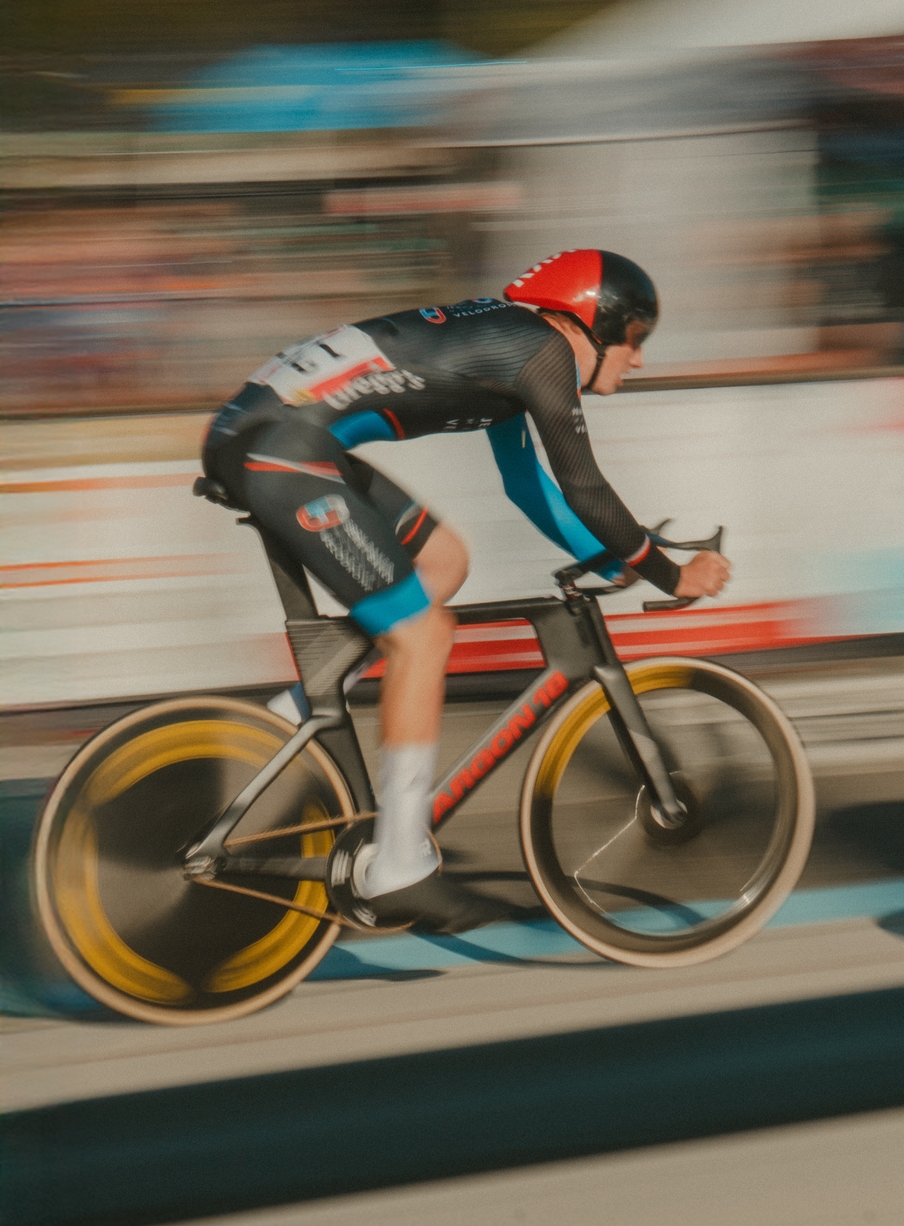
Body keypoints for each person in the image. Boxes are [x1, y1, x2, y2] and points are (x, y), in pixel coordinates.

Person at [200, 249, 732, 931]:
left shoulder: (514, 343)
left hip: (277, 437)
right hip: (277, 448)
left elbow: (530, 485)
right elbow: (586, 486)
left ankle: (282, 725)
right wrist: (667, 570)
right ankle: (398, 866)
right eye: (634, 338)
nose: (639, 357)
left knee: (444, 562)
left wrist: (613, 561)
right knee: (424, 633)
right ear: (594, 321)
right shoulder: (543, 351)